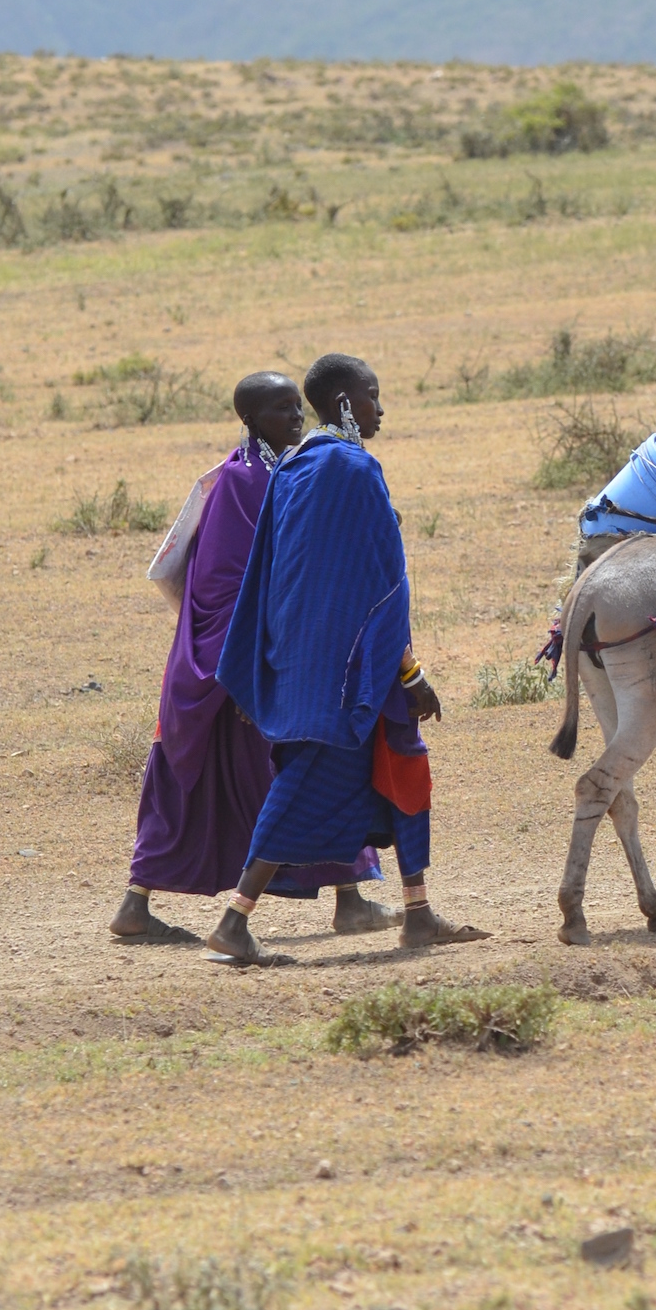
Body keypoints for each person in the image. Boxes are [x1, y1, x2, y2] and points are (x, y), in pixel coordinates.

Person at [206, 351, 488, 967]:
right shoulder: (355, 469)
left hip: (310, 660)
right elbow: (380, 580)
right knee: (306, 783)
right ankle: (234, 922)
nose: (380, 409)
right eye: (372, 396)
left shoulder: (296, 467)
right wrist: (409, 673)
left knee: (402, 764)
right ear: (343, 403)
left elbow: (278, 574)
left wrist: (266, 670)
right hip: (353, 669)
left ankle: (417, 913)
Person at [109, 370, 391, 945]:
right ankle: (138, 905)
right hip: (228, 668)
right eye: (282, 410)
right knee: (257, 774)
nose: (296, 419)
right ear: (250, 419)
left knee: (312, 763)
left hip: (267, 660)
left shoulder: (285, 472)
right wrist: (244, 674)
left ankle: (351, 897)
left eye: (297, 408)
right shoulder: (243, 483)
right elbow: (222, 590)